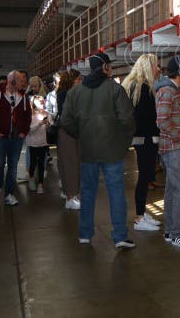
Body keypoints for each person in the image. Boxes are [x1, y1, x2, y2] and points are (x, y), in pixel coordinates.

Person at [61, 52, 136, 249]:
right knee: (116, 193)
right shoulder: (115, 89)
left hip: (87, 151)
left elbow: (65, 121)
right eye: (109, 65)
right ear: (104, 67)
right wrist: (123, 142)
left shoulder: (75, 92)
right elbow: (127, 120)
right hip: (112, 151)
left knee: (87, 192)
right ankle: (120, 236)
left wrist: (81, 134)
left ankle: (85, 234)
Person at [154, 55, 180, 248]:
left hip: (173, 148)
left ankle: (171, 231)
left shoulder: (170, 90)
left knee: (173, 189)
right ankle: (178, 234)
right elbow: (162, 121)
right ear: (179, 72)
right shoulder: (168, 92)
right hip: (174, 148)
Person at [121, 54, 163, 231]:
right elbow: (146, 117)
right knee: (145, 176)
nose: (159, 69)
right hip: (146, 138)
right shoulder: (143, 88)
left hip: (138, 137)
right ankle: (139, 217)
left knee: (145, 175)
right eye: (157, 66)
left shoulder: (131, 86)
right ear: (148, 67)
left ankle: (142, 213)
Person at [0, 70, 32, 206]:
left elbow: (28, 116)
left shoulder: (23, 97)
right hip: (0, 138)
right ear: (13, 82)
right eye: (21, 81)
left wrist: (24, 131)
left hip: (16, 139)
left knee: (13, 167)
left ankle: (9, 194)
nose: (24, 83)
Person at [52, 71, 81, 209]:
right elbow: (69, 114)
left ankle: (67, 192)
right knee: (71, 164)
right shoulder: (67, 94)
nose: (79, 81)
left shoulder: (62, 93)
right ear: (71, 80)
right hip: (69, 131)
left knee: (66, 163)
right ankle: (71, 196)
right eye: (77, 79)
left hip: (65, 131)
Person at [26, 95, 49, 193]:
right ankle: (31, 177)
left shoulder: (47, 114)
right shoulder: (31, 115)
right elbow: (29, 130)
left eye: (43, 102)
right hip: (33, 143)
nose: (42, 103)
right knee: (33, 163)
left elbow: (49, 129)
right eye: (40, 102)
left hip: (43, 143)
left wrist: (48, 125)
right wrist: (40, 123)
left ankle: (40, 184)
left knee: (41, 164)